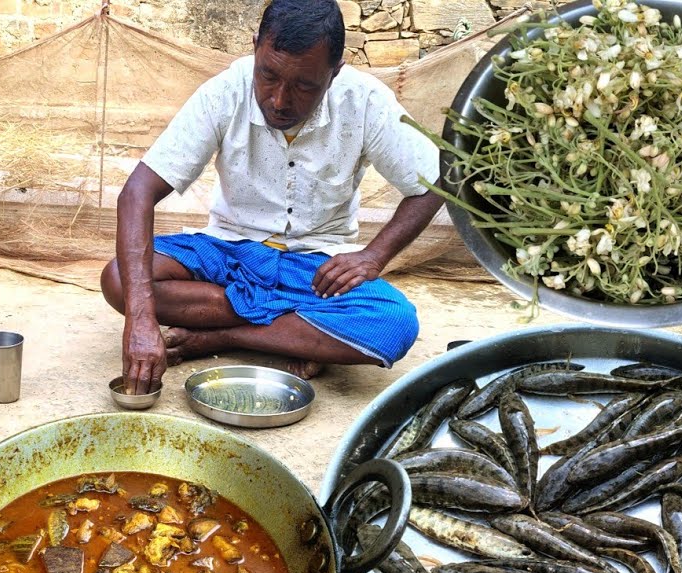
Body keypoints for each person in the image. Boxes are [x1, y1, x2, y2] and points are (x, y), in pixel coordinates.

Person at [101, 0, 442, 394]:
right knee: (118, 280)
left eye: (304, 86)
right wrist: (140, 318)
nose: (280, 100)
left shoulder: (365, 100)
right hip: (227, 251)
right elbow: (137, 193)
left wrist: (373, 257)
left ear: (335, 73)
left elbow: (432, 185)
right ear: (255, 48)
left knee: (393, 324)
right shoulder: (224, 92)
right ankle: (301, 330)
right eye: (268, 75)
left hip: (313, 267)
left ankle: (223, 337)